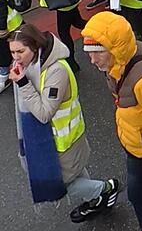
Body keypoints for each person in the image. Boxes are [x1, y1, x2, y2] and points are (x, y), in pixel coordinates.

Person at [9, 24, 119, 223]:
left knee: (62, 184)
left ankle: (104, 189)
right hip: (60, 138)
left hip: (63, 140)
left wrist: (23, 84)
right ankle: (96, 198)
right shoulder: (32, 65)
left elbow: (44, 113)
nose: (15, 57)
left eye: (20, 51)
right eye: (12, 52)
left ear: (35, 47)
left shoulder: (56, 71)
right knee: (76, 173)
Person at [81, 11, 142, 230]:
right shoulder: (120, 60)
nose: (92, 59)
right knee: (136, 194)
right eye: (89, 52)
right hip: (137, 145)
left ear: (115, 49)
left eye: (98, 52)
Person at [0, 0, 25, 91]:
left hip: (8, 24)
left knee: (5, 51)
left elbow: (1, 6)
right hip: (13, 21)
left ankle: (4, 76)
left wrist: (2, 27)